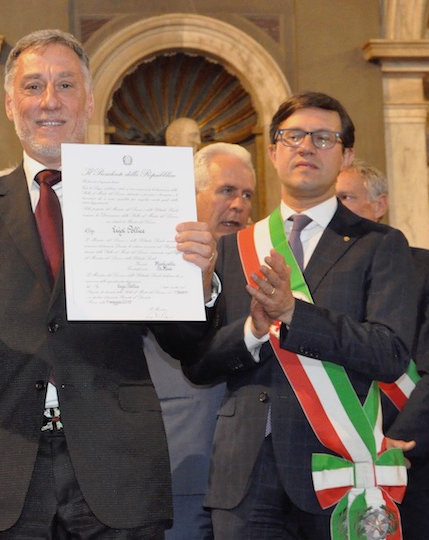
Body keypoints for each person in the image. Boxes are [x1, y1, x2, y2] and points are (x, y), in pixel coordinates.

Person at [0, 29, 214, 538]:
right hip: (0, 471)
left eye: (65, 85)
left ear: (88, 101)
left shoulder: (140, 194)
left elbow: (185, 342)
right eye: (33, 86)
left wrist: (199, 282)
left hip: (116, 468)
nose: (49, 101)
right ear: (9, 103)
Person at [183, 91, 420, 538]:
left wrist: (293, 313)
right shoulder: (234, 248)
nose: (306, 147)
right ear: (272, 151)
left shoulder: (380, 245)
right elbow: (199, 364)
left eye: (323, 138)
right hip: (245, 474)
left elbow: (389, 353)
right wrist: (254, 329)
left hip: (337, 466)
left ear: (346, 154)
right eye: (293, 136)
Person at [337, 160, 429, 538]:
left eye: (345, 197)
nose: (335, 208)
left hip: (412, 459)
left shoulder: (428, 268)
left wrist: (399, 440)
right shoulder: (316, 273)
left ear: (380, 205)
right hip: (336, 453)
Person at [145, 142, 256, 540]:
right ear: (190, 196)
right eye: (227, 191)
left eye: (247, 195)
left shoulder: (265, 264)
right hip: (181, 460)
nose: (239, 205)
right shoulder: (152, 254)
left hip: (254, 471)